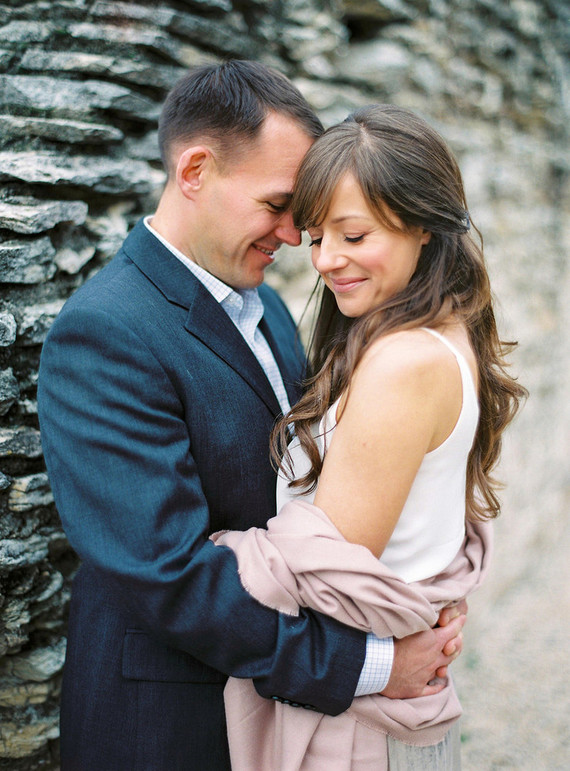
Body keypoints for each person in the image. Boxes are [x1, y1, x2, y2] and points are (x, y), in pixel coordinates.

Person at [38, 63, 466, 771]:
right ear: (196, 169)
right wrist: (370, 663)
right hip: (172, 723)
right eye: (278, 204)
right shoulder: (104, 332)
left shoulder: (264, 305)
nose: (297, 236)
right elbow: (168, 575)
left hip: (272, 711)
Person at [212, 104, 526, 769]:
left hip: (361, 732)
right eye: (318, 234)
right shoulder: (435, 329)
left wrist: (210, 551)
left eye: (353, 235)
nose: (327, 260)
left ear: (420, 223)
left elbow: (329, 573)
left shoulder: (404, 361)